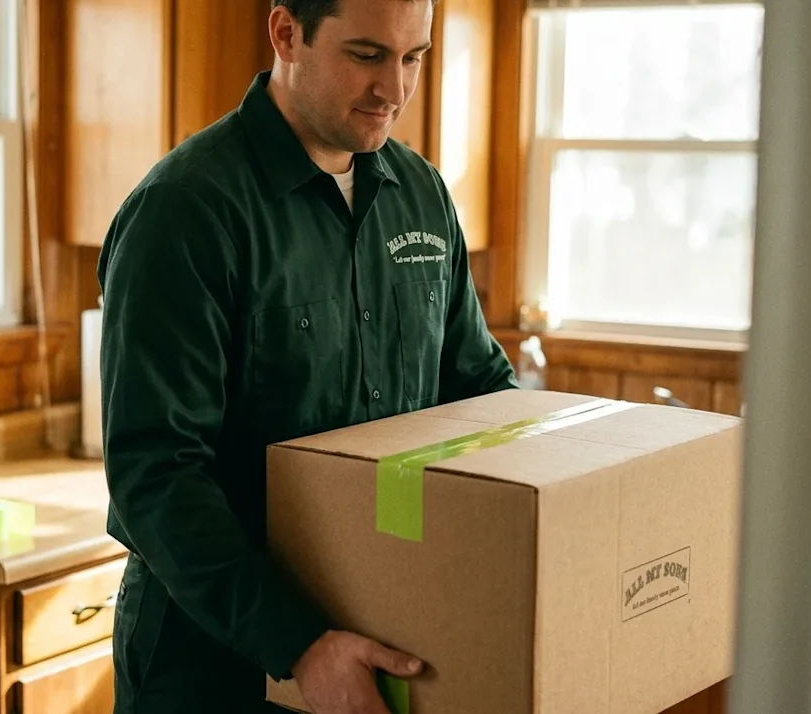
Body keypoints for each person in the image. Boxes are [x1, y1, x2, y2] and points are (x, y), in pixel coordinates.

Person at [96, 0, 518, 711]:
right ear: (286, 33)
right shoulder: (185, 210)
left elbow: (479, 390)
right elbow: (155, 475)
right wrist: (299, 643)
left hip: (383, 635)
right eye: (366, 55)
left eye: (413, 57)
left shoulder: (422, 195)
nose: (395, 89)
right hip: (212, 662)